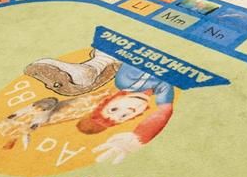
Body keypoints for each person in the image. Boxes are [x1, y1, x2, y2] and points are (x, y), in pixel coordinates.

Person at [25, 51, 174, 165]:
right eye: (123, 116)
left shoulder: (126, 81)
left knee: (116, 54)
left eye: (114, 109)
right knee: (112, 59)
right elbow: (164, 111)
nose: (128, 110)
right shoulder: (162, 91)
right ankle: (92, 69)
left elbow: (138, 54)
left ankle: (93, 67)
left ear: (112, 99)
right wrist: (140, 136)